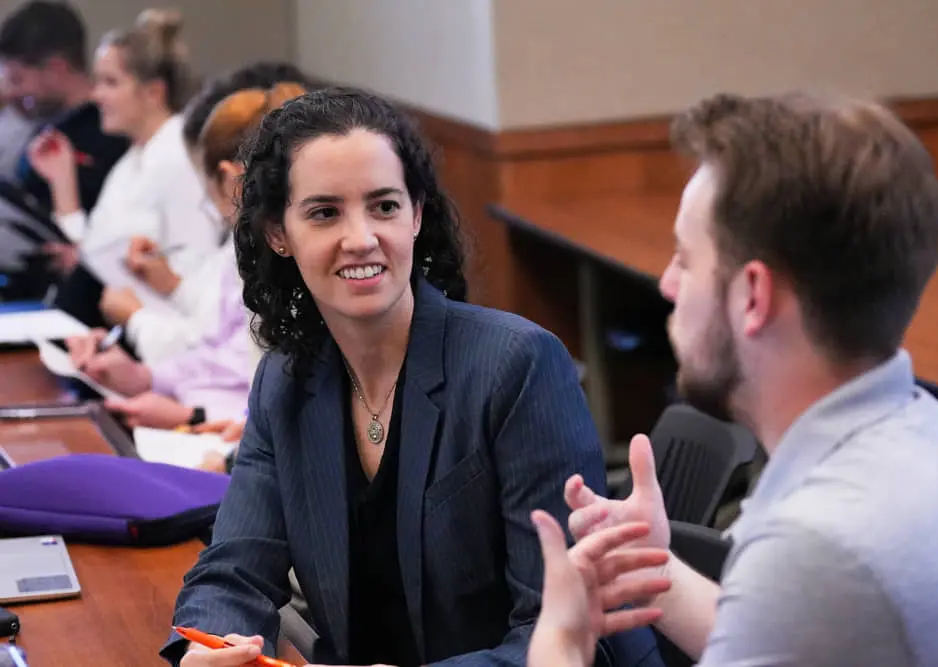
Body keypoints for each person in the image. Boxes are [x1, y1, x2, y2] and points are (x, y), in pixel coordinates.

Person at [163, 87, 663, 667]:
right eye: (325, 212)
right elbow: (232, 572)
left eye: (384, 206)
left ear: (417, 214)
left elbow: (568, 633)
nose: (361, 237)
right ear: (278, 233)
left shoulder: (517, 366)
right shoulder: (286, 380)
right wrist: (211, 648)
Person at [533, 91, 938, 666]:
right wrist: (652, 570)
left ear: (753, 295)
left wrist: (556, 642)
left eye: (685, 258)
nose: (667, 285)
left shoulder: (818, 544)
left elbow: (808, 587)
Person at [66, 83, 311, 431]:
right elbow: (219, 350)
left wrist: (191, 415)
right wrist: (144, 377)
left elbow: (270, 406)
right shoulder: (246, 254)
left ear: (231, 183)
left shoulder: (283, 270)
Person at [103, 62, 315, 364]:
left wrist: (137, 321)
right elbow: (217, 321)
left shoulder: (266, 261)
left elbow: (221, 360)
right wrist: (172, 285)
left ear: (232, 181)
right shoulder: (247, 250)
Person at [27, 8, 217, 324]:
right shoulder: (131, 161)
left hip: (167, 340)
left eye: (110, 82)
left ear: (153, 92)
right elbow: (95, 253)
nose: (96, 95)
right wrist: (62, 180)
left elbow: (196, 271)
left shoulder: (178, 158)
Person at [0, 0, 129, 212]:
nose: (9, 92)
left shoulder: (112, 134)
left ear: (56, 70)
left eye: (17, 80)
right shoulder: (36, 128)